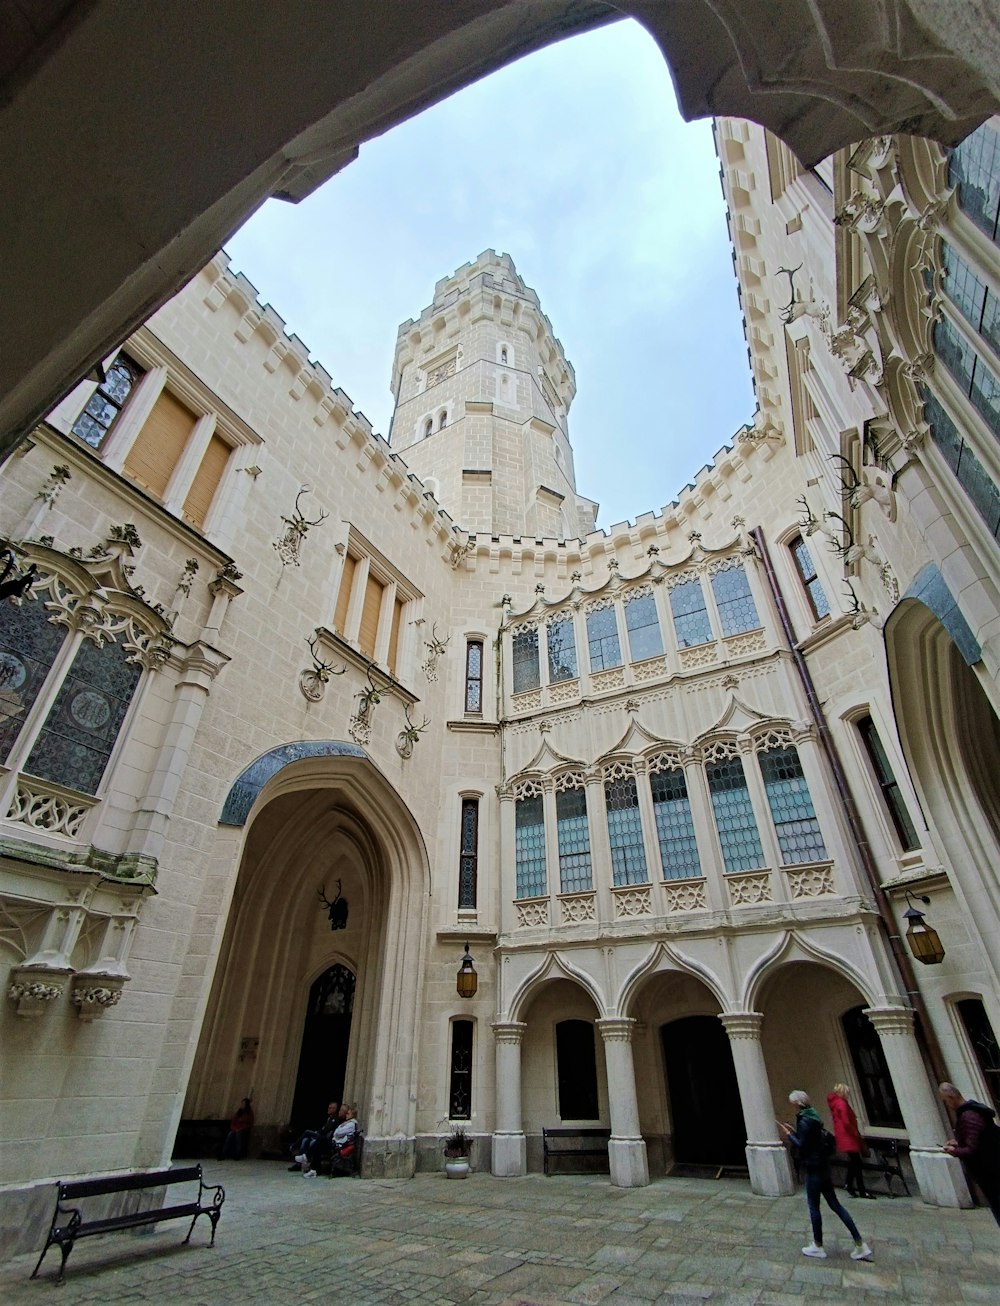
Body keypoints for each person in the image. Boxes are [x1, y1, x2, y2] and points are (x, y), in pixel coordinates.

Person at [778, 1090, 873, 1260]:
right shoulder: (813, 1116)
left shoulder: (804, 1120)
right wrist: (796, 1132)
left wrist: (790, 1135)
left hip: (813, 1169)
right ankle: (860, 1243)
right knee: (836, 1205)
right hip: (823, 1167)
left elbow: (802, 1144)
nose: (791, 1106)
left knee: (814, 1207)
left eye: (792, 1103)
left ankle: (818, 1245)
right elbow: (811, 1140)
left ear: (798, 1104)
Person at [939, 1082, 1000, 1226]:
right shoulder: (973, 1112)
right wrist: (959, 1142)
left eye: (945, 1100)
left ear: (951, 1096)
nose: (946, 1104)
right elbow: (976, 1139)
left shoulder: (969, 1116)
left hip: (991, 1172)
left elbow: (973, 1149)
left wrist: (955, 1151)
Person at [827, 1083, 873, 1199]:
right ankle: (859, 1189)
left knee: (854, 1162)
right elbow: (847, 1122)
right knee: (856, 1162)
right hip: (848, 1136)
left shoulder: (836, 1103)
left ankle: (850, 1185)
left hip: (843, 1135)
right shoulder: (841, 1104)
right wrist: (855, 1133)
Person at [303, 1104, 359, 1177]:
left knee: (319, 1140)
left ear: (352, 1115)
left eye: (348, 1113)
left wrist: (339, 1129)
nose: (346, 1115)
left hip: (337, 1146)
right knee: (318, 1143)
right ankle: (313, 1168)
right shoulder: (347, 1123)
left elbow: (337, 1133)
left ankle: (309, 1161)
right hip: (335, 1143)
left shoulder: (351, 1124)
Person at [288, 1101, 339, 1172]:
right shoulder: (329, 1119)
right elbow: (323, 1129)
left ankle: (294, 1147)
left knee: (307, 1132)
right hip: (320, 1135)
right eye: (329, 1107)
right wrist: (318, 1132)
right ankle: (298, 1164)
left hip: (323, 1139)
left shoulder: (335, 1119)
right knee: (305, 1140)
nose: (329, 1109)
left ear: (335, 1109)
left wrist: (320, 1132)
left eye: (331, 1108)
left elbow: (326, 1130)